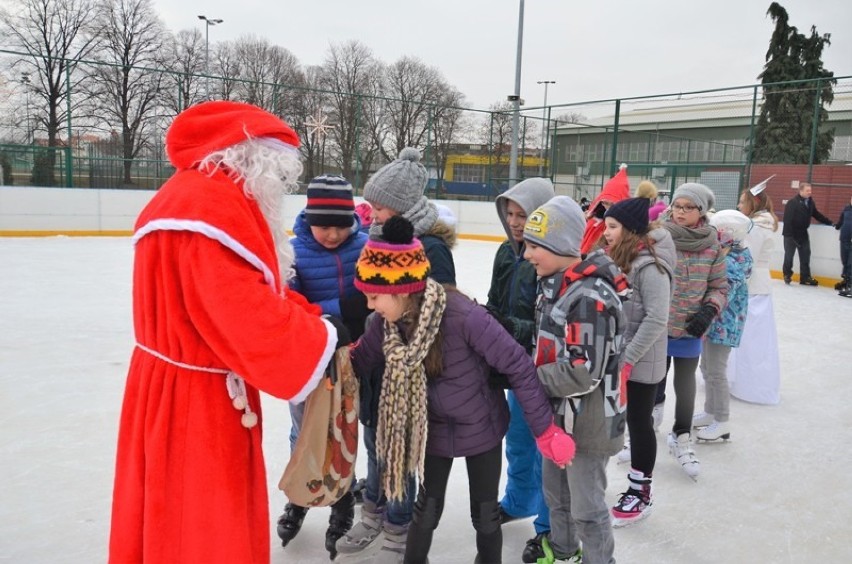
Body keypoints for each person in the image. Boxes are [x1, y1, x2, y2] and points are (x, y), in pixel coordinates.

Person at [108, 101, 342, 563]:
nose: (278, 185)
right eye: (278, 171)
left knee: (166, 504)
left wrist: (309, 316)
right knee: (200, 520)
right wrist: (322, 336)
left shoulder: (187, 196)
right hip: (197, 400)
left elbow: (251, 290)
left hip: (165, 386)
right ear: (251, 159)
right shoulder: (211, 213)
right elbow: (245, 317)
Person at [350, 216, 575, 564]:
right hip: (434, 429)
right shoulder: (386, 324)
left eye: (375, 296)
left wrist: (545, 431)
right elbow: (358, 361)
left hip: (480, 427)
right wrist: (322, 369)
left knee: (485, 515)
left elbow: (517, 365)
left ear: (402, 289)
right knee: (426, 509)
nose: (370, 305)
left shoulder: (465, 316)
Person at [336, 147, 456, 561]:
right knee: (375, 442)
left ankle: (398, 522)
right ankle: (373, 511)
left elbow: (438, 310)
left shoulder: (432, 250)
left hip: (408, 369)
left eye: (380, 207)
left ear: (403, 207)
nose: (372, 215)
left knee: (399, 447)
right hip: (377, 365)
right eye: (370, 206)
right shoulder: (377, 240)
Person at [523, 196, 630, 564]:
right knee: (557, 497)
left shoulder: (588, 297)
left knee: (587, 507)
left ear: (562, 245)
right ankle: (565, 552)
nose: (527, 255)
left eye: (535, 246)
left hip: (589, 424)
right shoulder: (557, 285)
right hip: (560, 417)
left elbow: (584, 372)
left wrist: (529, 377)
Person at [276, 174, 369, 557]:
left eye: (340, 225)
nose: (332, 234)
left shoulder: (364, 247)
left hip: (355, 355)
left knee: (344, 431)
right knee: (304, 429)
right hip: (309, 356)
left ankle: (342, 499)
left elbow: (376, 294)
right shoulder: (293, 252)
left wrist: (354, 317)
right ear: (308, 218)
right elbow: (287, 302)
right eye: (324, 225)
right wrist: (337, 313)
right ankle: (300, 494)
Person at [484, 177, 555, 562]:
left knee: (546, 444)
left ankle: (548, 525)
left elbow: (550, 323)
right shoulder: (504, 253)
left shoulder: (548, 259)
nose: (514, 222)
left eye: (524, 215)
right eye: (510, 214)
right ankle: (519, 499)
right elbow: (498, 301)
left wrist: (512, 328)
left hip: (544, 366)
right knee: (518, 437)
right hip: (513, 363)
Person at [601, 197, 675, 527]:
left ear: (630, 230)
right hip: (620, 357)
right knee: (618, 418)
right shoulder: (623, 258)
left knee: (639, 422)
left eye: (612, 227)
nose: (606, 232)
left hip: (643, 361)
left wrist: (628, 359)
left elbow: (657, 318)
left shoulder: (652, 267)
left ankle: (640, 493)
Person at [655, 183, 727, 481]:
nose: (680, 212)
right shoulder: (657, 238)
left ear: (701, 211)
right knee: (652, 386)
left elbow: (719, 287)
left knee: (686, 388)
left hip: (689, 328)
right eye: (677, 206)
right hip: (657, 327)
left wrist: (709, 310)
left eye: (688, 207)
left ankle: (681, 437)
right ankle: (641, 434)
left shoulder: (713, 245)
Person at [693, 210, 753, 442]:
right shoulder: (728, 255)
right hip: (714, 323)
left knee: (716, 372)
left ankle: (722, 420)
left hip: (723, 324)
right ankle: (710, 412)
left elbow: (723, 292)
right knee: (707, 368)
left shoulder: (734, 261)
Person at [727, 186, 782, 404]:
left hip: (752, 288)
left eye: (742, 202)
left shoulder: (756, 227)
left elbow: (747, 258)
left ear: (753, 203)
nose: (739, 206)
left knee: (749, 340)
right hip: (759, 287)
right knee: (757, 340)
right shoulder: (763, 223)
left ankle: (749, 386)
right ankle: (750, 383)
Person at [781, 182, 833, 285]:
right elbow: (787, 220)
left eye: (810, 190)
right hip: (791, 234)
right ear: (800, 191)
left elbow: (816, 214)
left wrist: (829, 222)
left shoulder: (810, 202)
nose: (810, 192)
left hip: (803, 233)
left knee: (805, 255)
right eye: (807, 190)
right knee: (789, 256)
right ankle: (787, 274)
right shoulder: (792, 202)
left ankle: (805, 277)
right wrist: (790, 235)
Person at [580, 164, 631, 255]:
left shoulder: (627, 226)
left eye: (612, 204)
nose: (608, 207)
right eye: (604, 203)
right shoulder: (594, 220)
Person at [835, 195, 852, 297]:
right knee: (845, 261)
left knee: (851, 263)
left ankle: (850, 285)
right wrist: (837, 226)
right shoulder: (846, 208)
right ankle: (846, 281)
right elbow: (841, 220)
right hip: (844, 238)